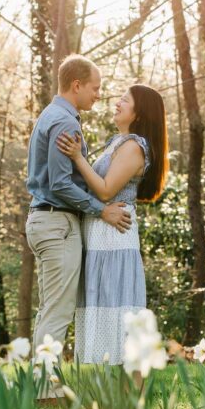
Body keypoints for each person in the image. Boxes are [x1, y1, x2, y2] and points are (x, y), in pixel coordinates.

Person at [25, 55, 132, 381]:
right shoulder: (65, 122)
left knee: (50, 310)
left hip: (46, 220)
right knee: (57, 313)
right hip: (56, 223)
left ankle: (41, 386)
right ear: (77, 85)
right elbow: (59, 184)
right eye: (95, 88)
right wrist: (102, 210)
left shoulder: (52, 114)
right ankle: (46, 393)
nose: (98, 95)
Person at [56, 83, 168, 364]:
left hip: (115, 237)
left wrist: (78, 157)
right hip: (100, 235)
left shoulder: (134, 147)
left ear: (139, 113)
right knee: (105, 308)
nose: (117, 103)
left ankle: (133, 399)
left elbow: (105, 190)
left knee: (120, 312)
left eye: (125, 100)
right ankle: (113, 399)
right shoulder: (117, 143)